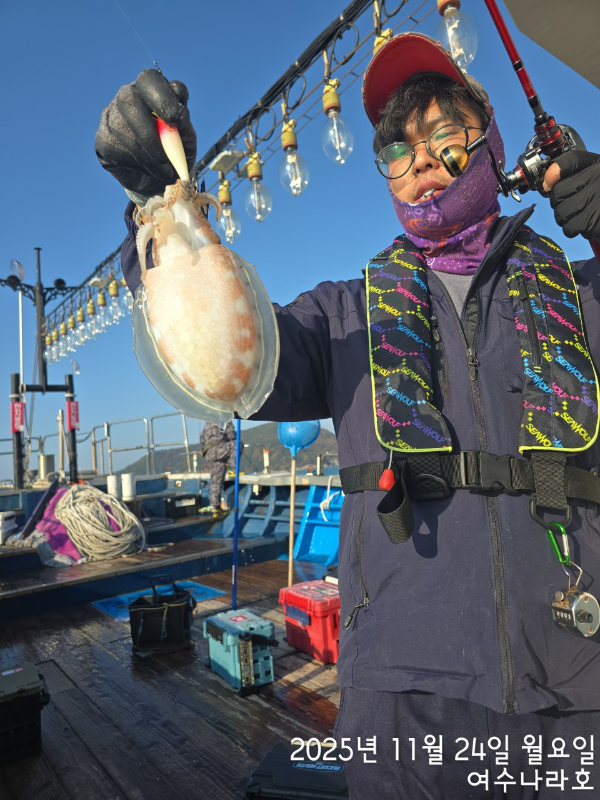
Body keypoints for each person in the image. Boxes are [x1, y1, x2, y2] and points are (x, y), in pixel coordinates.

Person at [96, 31, 600, 799]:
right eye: (396, 147)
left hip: (576, 692)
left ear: (494, 143)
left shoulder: (583, 294)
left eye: (445, 130)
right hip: (402, 706)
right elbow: (231, 365)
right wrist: (151, 216)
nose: (421, 157)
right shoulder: (341, 317)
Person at [200, 421, 237, 513]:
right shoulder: (225, 421)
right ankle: (233, 468)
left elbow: (202, 440)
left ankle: (215, 505)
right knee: (237, 444)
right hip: (219, 450)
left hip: (209, 453)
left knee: (216, 480)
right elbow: (232, 436)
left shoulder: (207, 424)